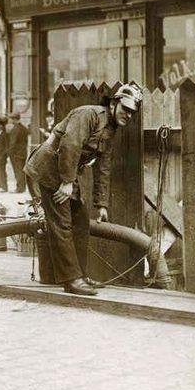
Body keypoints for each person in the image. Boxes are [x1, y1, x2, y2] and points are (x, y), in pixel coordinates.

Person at [24, 84, 142, 296]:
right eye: (125, 109)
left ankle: (81, 275)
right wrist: (67, 182)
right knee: (62, 223)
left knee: (81, 221)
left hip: (66, 171)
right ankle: (71, 280)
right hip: (49, 167)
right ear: (113, 104)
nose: (128, 115)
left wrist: (101, 204)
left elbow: (103, 166)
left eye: (132, 112)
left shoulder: (111, 129)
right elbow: (70, 145)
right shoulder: (88, 115)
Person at [6, 112, 29, 193]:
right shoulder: (24, 128)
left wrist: (9, 153)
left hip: (15, 154)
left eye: (11, 119)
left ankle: (19, 188)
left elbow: (13, 143)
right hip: (23, 153)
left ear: (14, 119)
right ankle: (22, 187)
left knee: (17, 171)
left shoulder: (15, 129)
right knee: (22, 170)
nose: (10, 120)